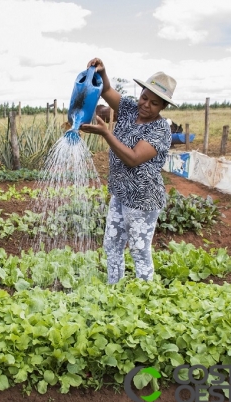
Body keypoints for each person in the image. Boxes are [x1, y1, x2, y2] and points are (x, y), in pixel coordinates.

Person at [80, 58, 177, 284]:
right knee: (112, 245)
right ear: (140, 93)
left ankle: (145, 298)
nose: (146, 105)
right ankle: (114, 288)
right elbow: (106, 90)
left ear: (163, 107)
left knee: (139, 251)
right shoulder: (129, 109)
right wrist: (102, 72)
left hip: (142, 199)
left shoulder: (160, 129)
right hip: (120, 193)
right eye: (144, 97)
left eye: (154, 103)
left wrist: (106, 134)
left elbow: (133, 158)